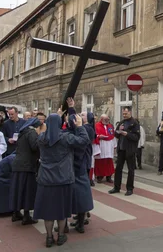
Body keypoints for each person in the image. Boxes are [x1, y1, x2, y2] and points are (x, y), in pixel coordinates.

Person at [34, 111, 88, 248]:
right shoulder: (66, 138)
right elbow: (84, 141)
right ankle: (61, 236)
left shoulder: (41, 138)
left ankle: (49, 237)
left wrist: (54, 117)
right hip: (63, 178)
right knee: (61, 210)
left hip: (46, 179)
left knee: (48, 211)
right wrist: (80, 126)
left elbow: (48, 134)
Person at [64, 100, 94, 234]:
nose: (79, 117)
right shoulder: (80, 129)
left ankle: (80, 221)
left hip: (79, 165)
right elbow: (73, 123)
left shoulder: (87, 129)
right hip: (79, 165)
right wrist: (71, 109)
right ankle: (80, 219)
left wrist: (71, 112)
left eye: (82, 115)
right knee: (81, 194)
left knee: (80, 193)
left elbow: (74, 125)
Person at [10, 115, 41, 225]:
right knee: (28, 191)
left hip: (18, 164)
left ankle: (16, 212)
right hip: (27, 166)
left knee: (18, 190)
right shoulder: (32, 133)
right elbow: (34, 146)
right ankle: (26, 216)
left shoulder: (23, 133)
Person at [109, 107, 140, 196]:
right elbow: (116, 134)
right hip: (121, 149)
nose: (124, 115)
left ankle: (130, 188)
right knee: (118, 168)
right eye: (123, 114)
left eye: (126, 113)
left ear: (130, 112)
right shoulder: (122, 122)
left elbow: (136, 137)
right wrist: (119, 132)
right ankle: (116, 187)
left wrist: (127, 134)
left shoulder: (134, 123)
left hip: (129, 149)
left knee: (130, 169)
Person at [94, 114, 116, 183]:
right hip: (101, 145)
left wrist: (114, 146)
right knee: (100, 161)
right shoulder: (96, 125)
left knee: (109, 161)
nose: (107, 121)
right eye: (105, 119)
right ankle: (99, 176)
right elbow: (94, 135)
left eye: (108, 119)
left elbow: (113, 136)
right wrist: (99, 136)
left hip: (109, 146)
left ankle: (109, 176)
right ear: (101, 119)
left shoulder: (110, 126)